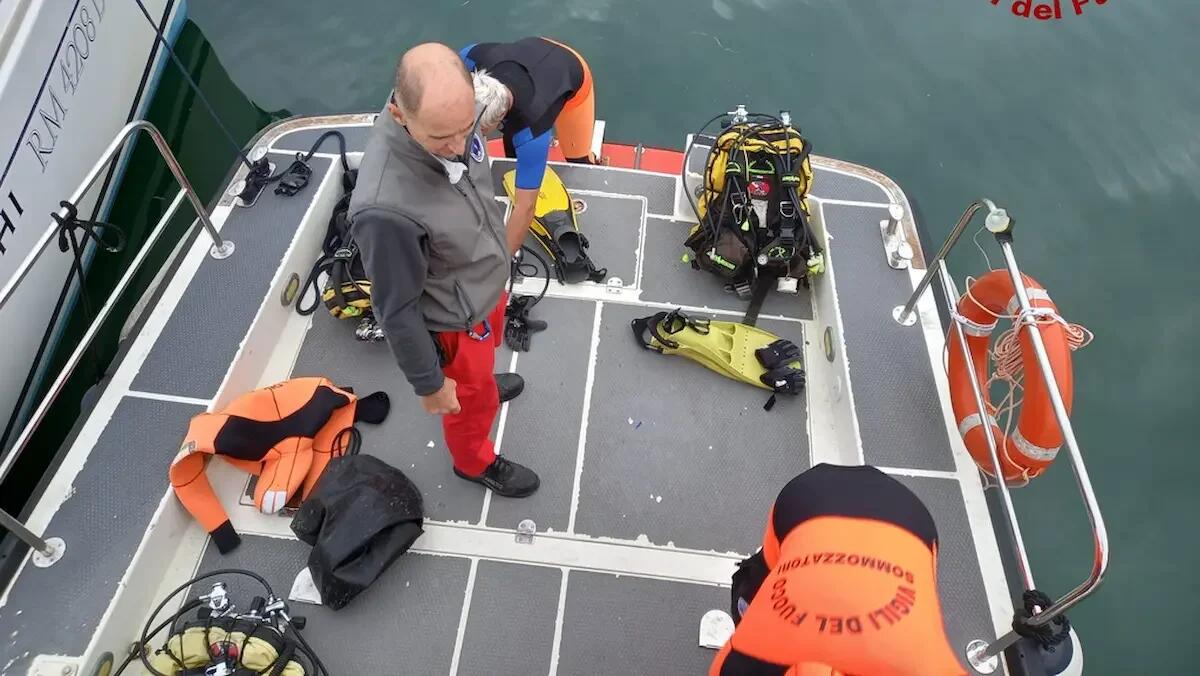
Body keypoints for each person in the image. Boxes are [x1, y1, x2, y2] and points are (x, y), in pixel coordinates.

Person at [348, 42, 540, 498]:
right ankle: (474, 462)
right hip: (455, 324)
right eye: (441, 139)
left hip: (485, 287)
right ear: (399, 115)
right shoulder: (385, 210)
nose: (458, 148)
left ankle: (482, 386)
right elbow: (395, 309)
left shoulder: (451, 114)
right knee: (466, 405)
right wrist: (431, 384)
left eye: (464, 129)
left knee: (481, 377)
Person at [712, 463, 966, 676]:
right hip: (811, 504)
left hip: (907, 518)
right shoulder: (748, 659)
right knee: (752, 592)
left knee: (761, 583)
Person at [458, 37, 600, 253]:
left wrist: (500, 267)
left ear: (500, 118)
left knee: (578, 161)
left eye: (481, 131)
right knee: (512, 164)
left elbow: (526, 208)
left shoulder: (532, 129)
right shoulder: (472, 58)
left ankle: (590, 159)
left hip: (570, 72)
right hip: (531, 52)